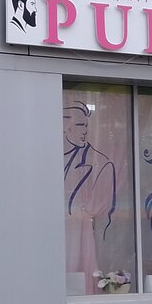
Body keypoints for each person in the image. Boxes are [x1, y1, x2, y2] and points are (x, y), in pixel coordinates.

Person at [63, 101, 116, 292]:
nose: (85, 131)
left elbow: (105, 219)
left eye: (86, 125)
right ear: (65, 127)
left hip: (79, 240)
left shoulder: (100, 163)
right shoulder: (48, 161)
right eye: (79, 125)